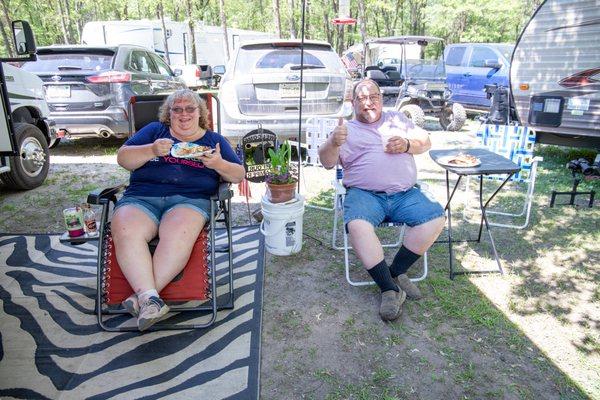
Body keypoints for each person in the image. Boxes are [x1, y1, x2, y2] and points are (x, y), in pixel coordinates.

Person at [112, 89, 245, 331]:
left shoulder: (212, 141)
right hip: (142, 197)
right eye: (177, 109)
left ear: (200, 113)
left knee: (179, 230)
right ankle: (150, 300)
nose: (184, 114)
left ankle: (142, 297)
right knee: (123, 226)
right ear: (169, 114)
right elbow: (123, 159)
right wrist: (151, 150)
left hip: (189, 200)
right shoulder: (154, 132)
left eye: (190, 109)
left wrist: (218, 164)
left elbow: (238, 175)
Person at [318, 79, 445, 321]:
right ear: (353, 102)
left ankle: (394, 272)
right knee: (358, 226)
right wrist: (333, 142)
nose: (368, 102)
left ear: (381, 98)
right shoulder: (346, 130)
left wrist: (408, 144)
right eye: (362, 98)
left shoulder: (397, 118)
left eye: (373, 96)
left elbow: (426, 141)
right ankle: (389, 289)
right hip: (364, 194)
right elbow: (326, 162)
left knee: (435, 218)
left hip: (405, 193)